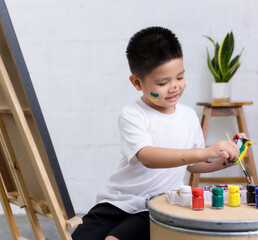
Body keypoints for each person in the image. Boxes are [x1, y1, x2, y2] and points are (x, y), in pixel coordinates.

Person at [72, 26, 245, 240]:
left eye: (180, 77)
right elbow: (148, 157)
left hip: (156, 205)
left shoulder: (188, 116)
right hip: (116, 201)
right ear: (137, 83)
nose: (174, 87)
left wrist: (227, 158)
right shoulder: (132, 114)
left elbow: (193, 166)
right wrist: (205, 152)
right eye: (163, 83)